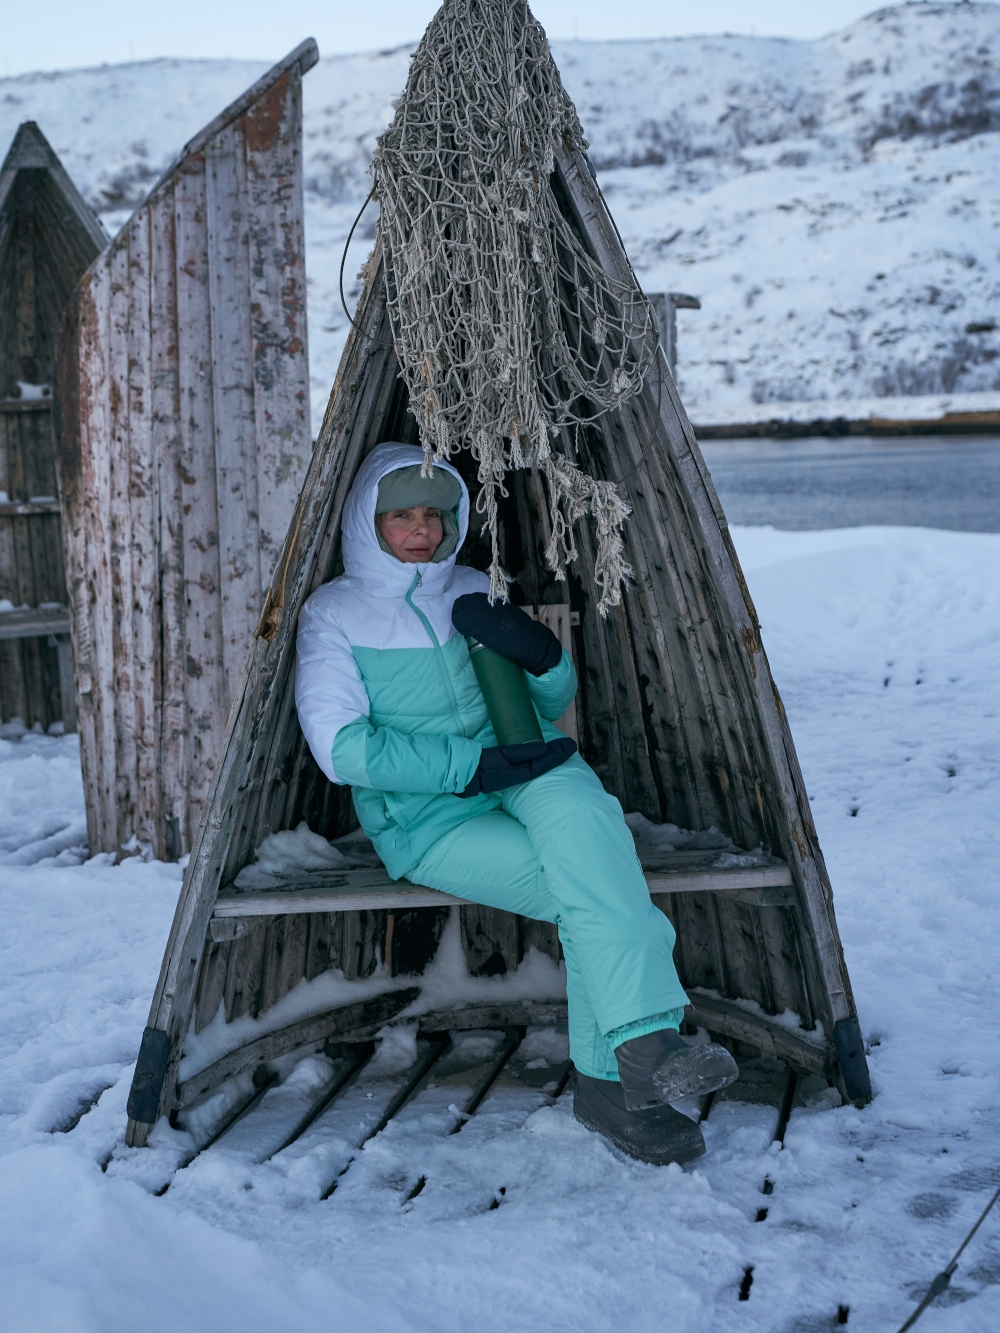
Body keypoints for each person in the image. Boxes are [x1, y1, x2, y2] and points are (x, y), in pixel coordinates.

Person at [295, 442, 738, 1165]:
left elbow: (551, 698)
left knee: (589, 820)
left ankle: (640, 1059)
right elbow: (341, 748)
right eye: (401, 516)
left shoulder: (474, 584)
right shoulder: (335, 613)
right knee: (597, 893)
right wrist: (469, 766)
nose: (422, 529)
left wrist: (543, 657)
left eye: (435, 514)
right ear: (367, 523)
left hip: (528, 761)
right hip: (431, 815)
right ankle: (628, 1075)